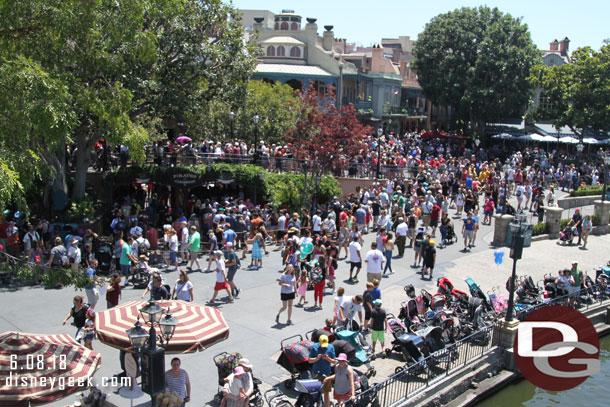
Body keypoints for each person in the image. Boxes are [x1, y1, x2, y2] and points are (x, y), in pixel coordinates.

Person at [309, 335, 336, 407]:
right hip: (316, 373)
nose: (323, 347)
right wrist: (316, 359)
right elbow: (309, 360)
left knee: (326, 392)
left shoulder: (330, 347)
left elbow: (334, 361)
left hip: (326, 373)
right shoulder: (314, 347)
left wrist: (328, 359)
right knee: (315, 392)